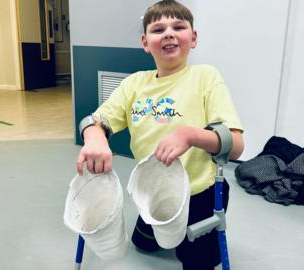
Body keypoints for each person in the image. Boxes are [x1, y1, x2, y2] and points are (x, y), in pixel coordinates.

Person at [76, 1, 244, 269]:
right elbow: (94, 121)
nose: (168, 33)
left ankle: (189, 246)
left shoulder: (205, 77)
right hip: (152, 190)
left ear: (193, 38)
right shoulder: (134, 84)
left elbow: (235, 146)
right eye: (158, 29)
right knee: (143, 243)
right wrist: (94, 136)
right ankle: (160, 229)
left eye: (178, 26)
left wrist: (191, 135)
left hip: (199, 193)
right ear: (145, 42)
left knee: (194, 261)